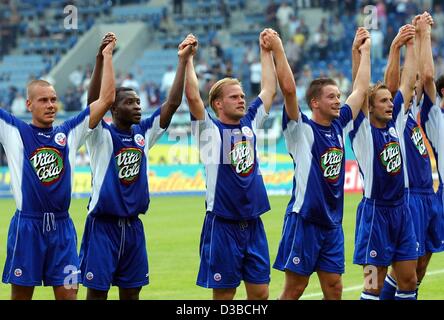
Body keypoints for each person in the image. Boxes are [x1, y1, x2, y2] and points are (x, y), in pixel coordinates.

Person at [78, 35, 196, 300]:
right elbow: (93, 104)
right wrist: (101, 59)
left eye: (138, 102)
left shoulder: (143, 134)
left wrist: (182, 61)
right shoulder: (100, 135)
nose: (137, 106)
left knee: (132, 296)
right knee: (96, 296)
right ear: (113, 109)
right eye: (129, 103)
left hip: (133, 228)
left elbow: (172, 104)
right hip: (102, 227)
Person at [0, 33, 116, 300]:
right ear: (28, 104)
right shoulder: (13, 131)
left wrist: (107, 56)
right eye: (43, 100)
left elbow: (107, 99)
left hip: (62, 229)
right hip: (27, 226)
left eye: (53, 100)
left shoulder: (69, 132)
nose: (51, 105)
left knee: (68, 297)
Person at [273, 28, 371, 300]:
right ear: (315, 102)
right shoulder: (300, 131)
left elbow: (362, 89)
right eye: (331, 97)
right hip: (304, 221)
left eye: (339, 96)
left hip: (332, 224)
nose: (338, 100)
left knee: (334, 287)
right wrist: (279, 48)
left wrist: (362, 51)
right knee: (295, 289)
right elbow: (289, 90)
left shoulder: (339, 125)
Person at [184, 29, 277, 300]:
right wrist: (188, 59)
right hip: (223, 225)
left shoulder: (250, 123)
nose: (242, 99)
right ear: (217, 104)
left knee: (260, 294)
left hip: (253, 222)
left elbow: (269, 89)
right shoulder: (209, 132)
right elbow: (192, 98)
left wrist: (265, 51)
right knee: (225, 296)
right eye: (234, 96)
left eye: (242, 95)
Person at [348, 23, 418, 300]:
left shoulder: (396, 125)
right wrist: (358, 52)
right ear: (370, 106)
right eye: (383, 101)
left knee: (409, 280)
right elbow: (358, 88)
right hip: (375, 215)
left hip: (402, 211)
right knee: (372, 286)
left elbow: (408, 80)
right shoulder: (363, 132)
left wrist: (408, 45)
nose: (391, 104)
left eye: (391, 100)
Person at [387, 13, 444, 299]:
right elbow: (413, 79)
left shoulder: (413, 120)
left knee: (418, 272)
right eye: (415, 84)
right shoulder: (400, 116)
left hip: (429, 195)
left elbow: (422, 78)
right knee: (406, 275)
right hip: (410, 197)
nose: (417, 84)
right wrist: (418, 37)